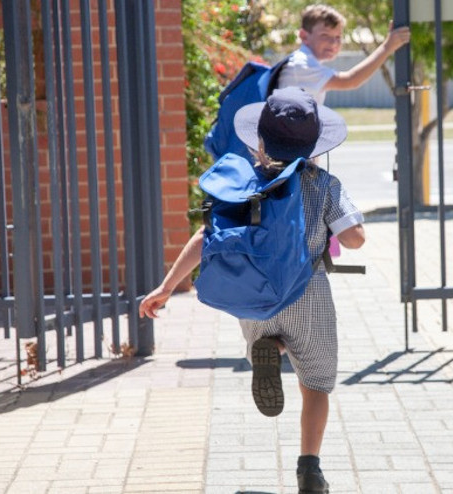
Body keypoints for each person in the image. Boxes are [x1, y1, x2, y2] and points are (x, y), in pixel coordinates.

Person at [138, 87, 365, 494]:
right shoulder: (324, 184)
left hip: (256, 296)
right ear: (315, 143)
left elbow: (206, 238)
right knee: (316, 384)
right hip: (308, 293)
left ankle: (272, 348)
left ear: (259, 140)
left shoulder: (243, 182)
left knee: (271, 337)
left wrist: (166, 287)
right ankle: (309, 471)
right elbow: (355, 240)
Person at [278, 4, 411, 104]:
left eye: (338, 37)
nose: (333, 43)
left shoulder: (304, 62)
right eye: (325, 35)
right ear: (304, 36)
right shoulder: (301, 65)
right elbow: (350, 80)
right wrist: (387, 47)